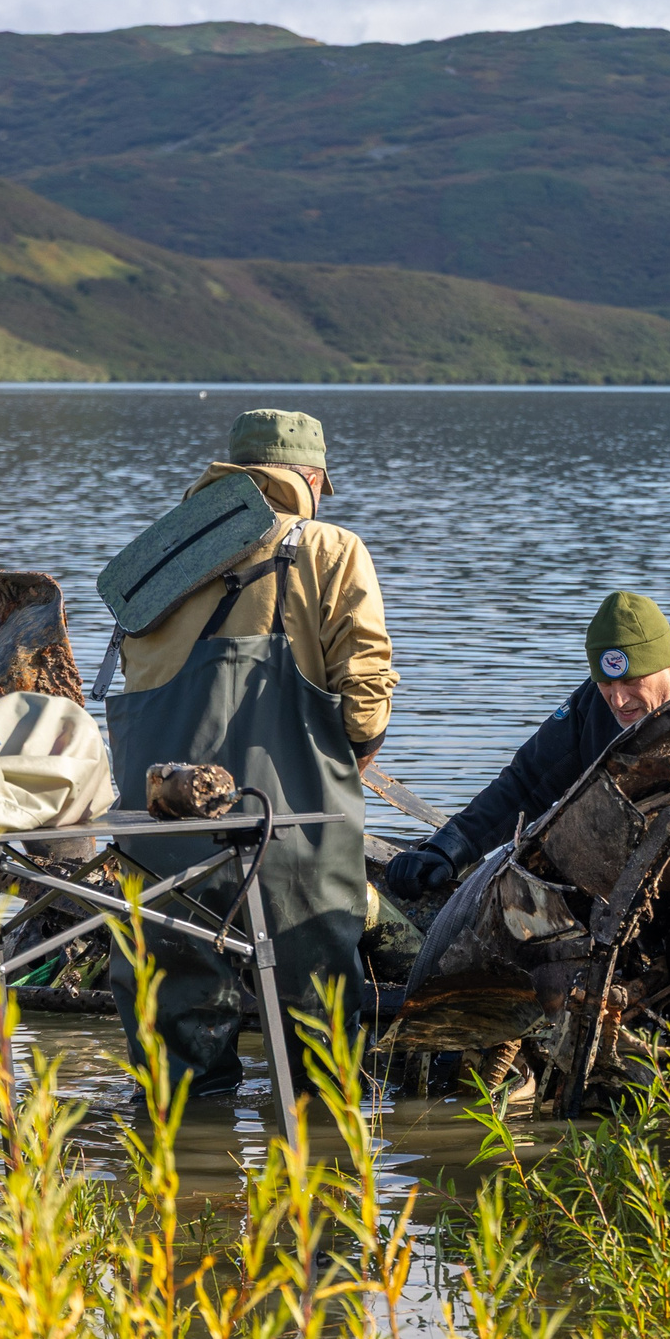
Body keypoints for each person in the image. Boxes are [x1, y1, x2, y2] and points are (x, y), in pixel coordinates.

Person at [103, 409, 401, 1097]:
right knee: (320, 1049)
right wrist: (346, 761)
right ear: (309, 477)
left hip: (160, 836)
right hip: (286, 827)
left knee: (175, 1061)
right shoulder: (328, 547)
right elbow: (366, 692)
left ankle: (185, 1183)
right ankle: (319, 1184)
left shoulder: (156, 561)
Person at [386, 591, 670, 896]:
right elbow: (524, 784)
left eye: (633, 681)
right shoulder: (590, 705)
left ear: (666, 664)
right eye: (606, 682)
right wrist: (446, 848)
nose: (619, 700)